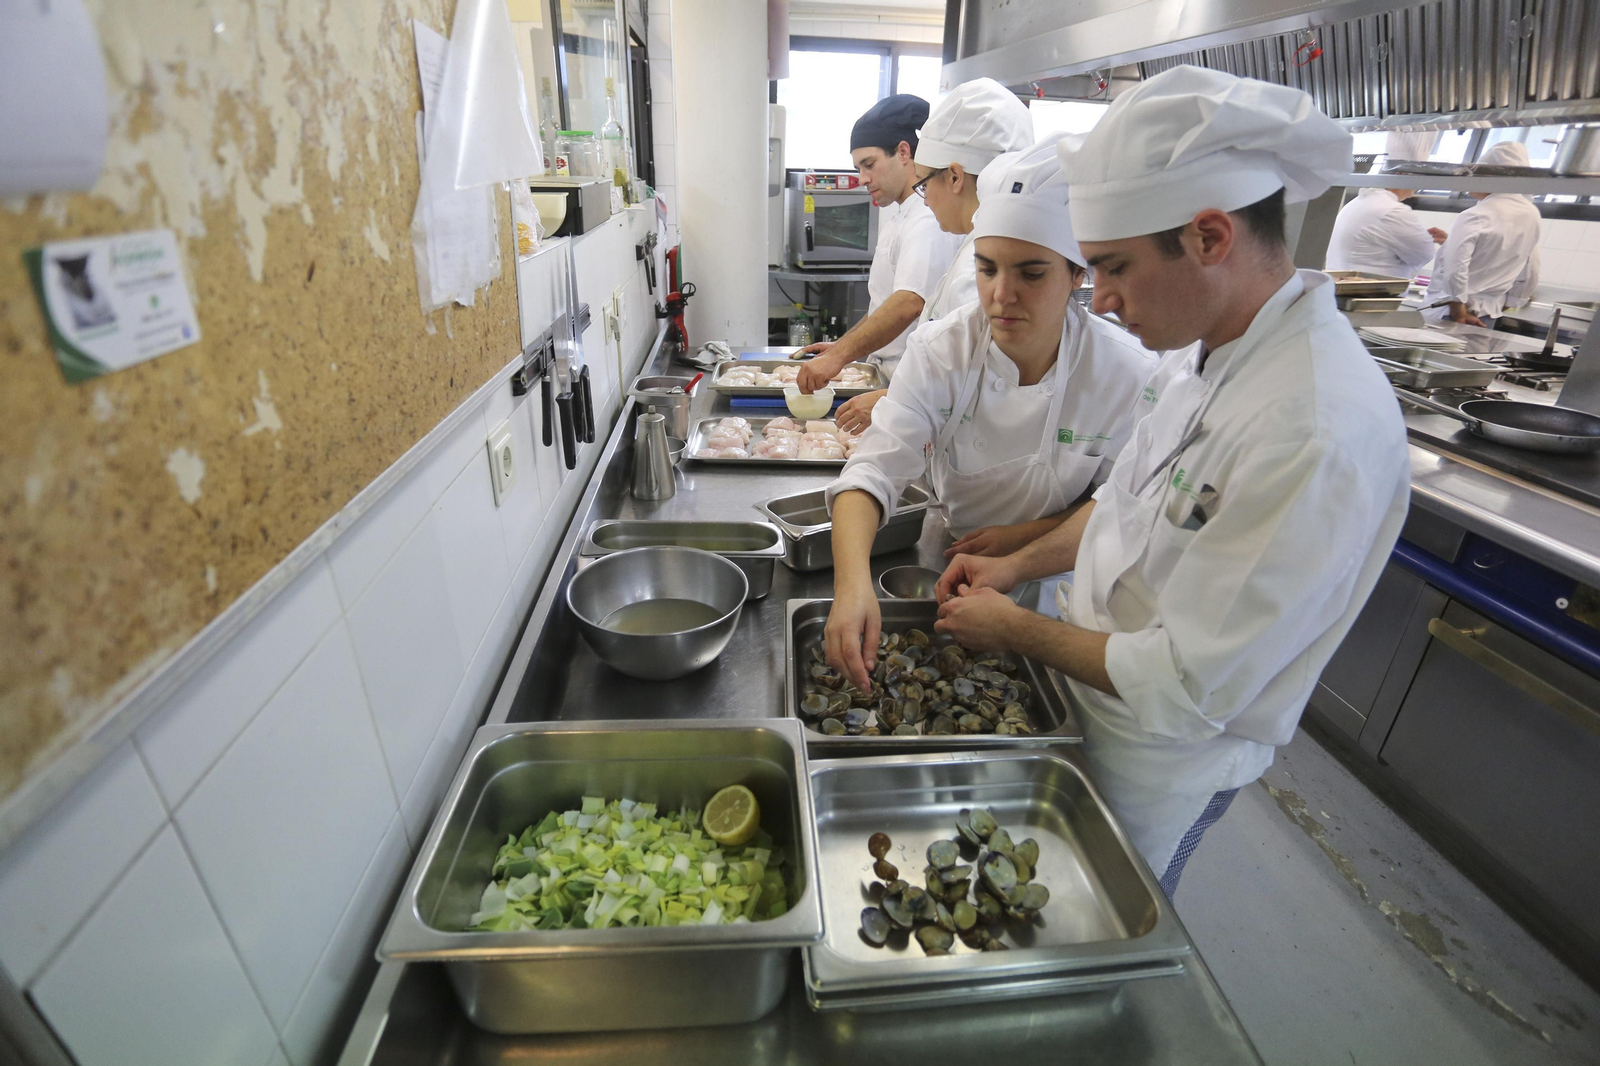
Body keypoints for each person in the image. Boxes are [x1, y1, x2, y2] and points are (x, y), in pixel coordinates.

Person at [932, 65, 1411, 896]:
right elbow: (1130, 506)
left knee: (1106, 916)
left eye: (1113, 268)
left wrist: (1015, 630)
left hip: (1163, 759)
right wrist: (1017, 568)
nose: (1104, 301)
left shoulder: (1313, 425)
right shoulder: (1207, 354)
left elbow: (1189, 687)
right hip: (1092, 701)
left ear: (1211, 238)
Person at [822, 137, 1157, 696]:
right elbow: (873, 471)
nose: (1001, 296)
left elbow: (1117, 504)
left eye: (1031, 274)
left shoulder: (1126, 373)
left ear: (1077, 276)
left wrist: (1022, 548)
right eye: (986, 268)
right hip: (956, 568)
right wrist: (850, 583)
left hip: (1071, 594)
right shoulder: (941, 350)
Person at [831, 78, 1036, 434]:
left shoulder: (984, 263)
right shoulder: (973, 244)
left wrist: (887, 398)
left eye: (925, 183)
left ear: (955, 177)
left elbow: (977, 377)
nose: (924, 197)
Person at [794, 95, 961, 395]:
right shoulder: (901, 214)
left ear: (903, 151)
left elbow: (909, 302)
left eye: (868, 165)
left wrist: (840, 357)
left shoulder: (927, 217)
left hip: (907, 385)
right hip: (884, 378)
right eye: (858, 168)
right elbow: (884, 305)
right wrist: (842, 346)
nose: (862, 178)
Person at [1420, 141, 1542, 327]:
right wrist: (1514, 301)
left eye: (1476, 173)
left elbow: (1455, 266)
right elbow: (1530, 265)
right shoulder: (1531, 213)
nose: (1471, 178)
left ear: (1492, 178)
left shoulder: (1475, 215)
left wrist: (1458, 309)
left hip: (1451, 312)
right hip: (1489, 313)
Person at [1325, 185, 1446, 278]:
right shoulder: (1393, 210)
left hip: (1343, 288)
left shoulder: (1357, 202)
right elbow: (1424, 254)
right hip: (1369, 295)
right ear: (1403, 175)